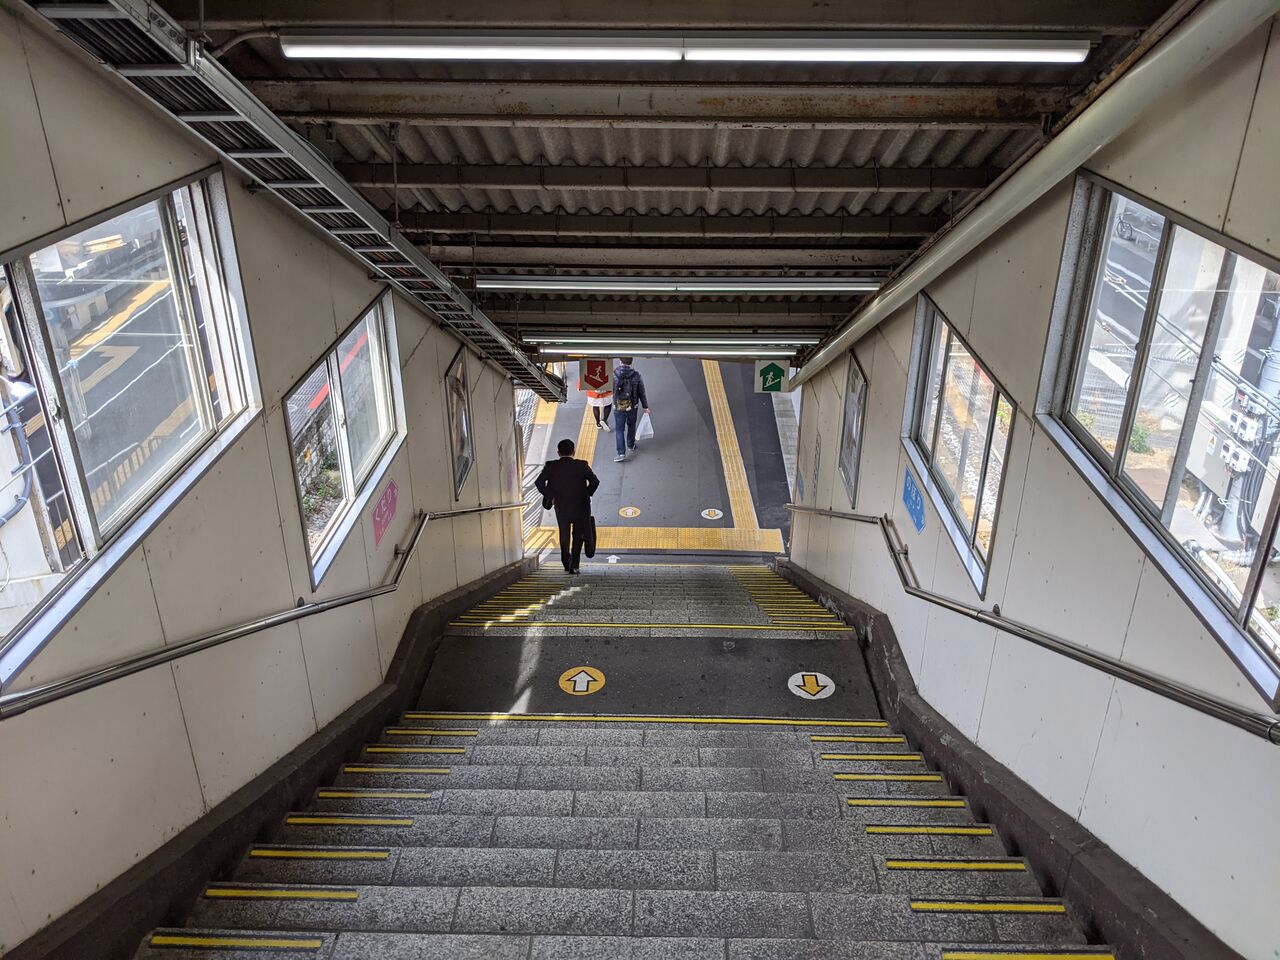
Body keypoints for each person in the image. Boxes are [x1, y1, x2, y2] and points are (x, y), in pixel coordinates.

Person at [535, 438, 600, 573]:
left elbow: (539, 483)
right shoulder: (582, 465)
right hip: (581, 506)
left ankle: (566, 562)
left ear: (558, 453)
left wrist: (551, 496)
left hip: (561, 506)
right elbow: (595, 481)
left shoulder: (551, 466)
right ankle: (574, 565)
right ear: (574, 452)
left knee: (564, 534)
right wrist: (586, 494)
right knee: (578, 535)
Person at [611, 357, 649, 463]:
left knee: (619, 429)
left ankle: (621, 453)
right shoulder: (636, 375)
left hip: (618, 406)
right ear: (631, 362)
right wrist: (645, 406)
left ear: (620, 361)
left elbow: (610, 388)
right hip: (633, 406)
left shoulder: (613, 374)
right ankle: (631, 445)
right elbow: (642, 392)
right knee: (631, 425)